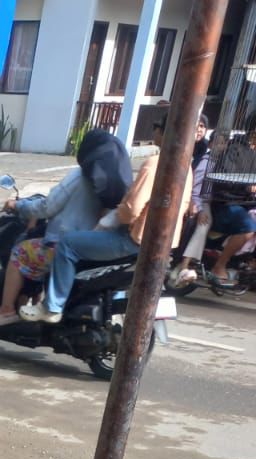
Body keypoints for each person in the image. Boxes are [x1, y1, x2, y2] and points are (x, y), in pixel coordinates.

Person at [21, 120, 190, 324]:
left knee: (67, 244)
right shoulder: (185, 166)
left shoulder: (155, 163)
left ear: (163, 133)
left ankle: (52, 307)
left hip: (134, 238)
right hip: (164, 242)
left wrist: (115, 219)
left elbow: (132, 209)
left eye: (156, 128)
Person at [0, 130, 123, 328]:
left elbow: (48, 207)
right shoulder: (115, 183)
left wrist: (18, 205)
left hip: (63, 245)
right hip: (94, 249)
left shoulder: (79, 176)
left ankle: (6, 310)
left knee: (20, 252)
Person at [178, 125, 256, 288]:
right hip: (216, 202)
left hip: (243, 202)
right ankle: (209, 265)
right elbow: (199, 189)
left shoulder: (247, 153)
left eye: (223, 143)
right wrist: (197, 206)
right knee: (244, 226)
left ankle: (248, 263)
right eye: (219, 143)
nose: (222, 147)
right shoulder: (232, 154)